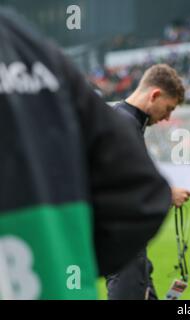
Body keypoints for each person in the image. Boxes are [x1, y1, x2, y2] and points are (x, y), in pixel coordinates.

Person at [0, 8, 172, 299]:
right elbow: (145, 195)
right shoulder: (30, 47)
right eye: (169, 109)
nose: (167, 118)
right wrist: (65, 258)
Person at [106, 64, 190, 300]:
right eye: (168, 108)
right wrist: (167, 195)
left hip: (131, 251)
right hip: (123, 251)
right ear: (155, 95)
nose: (167, 117)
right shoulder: (123, 123)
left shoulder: (126, 121)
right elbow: (117, 189)